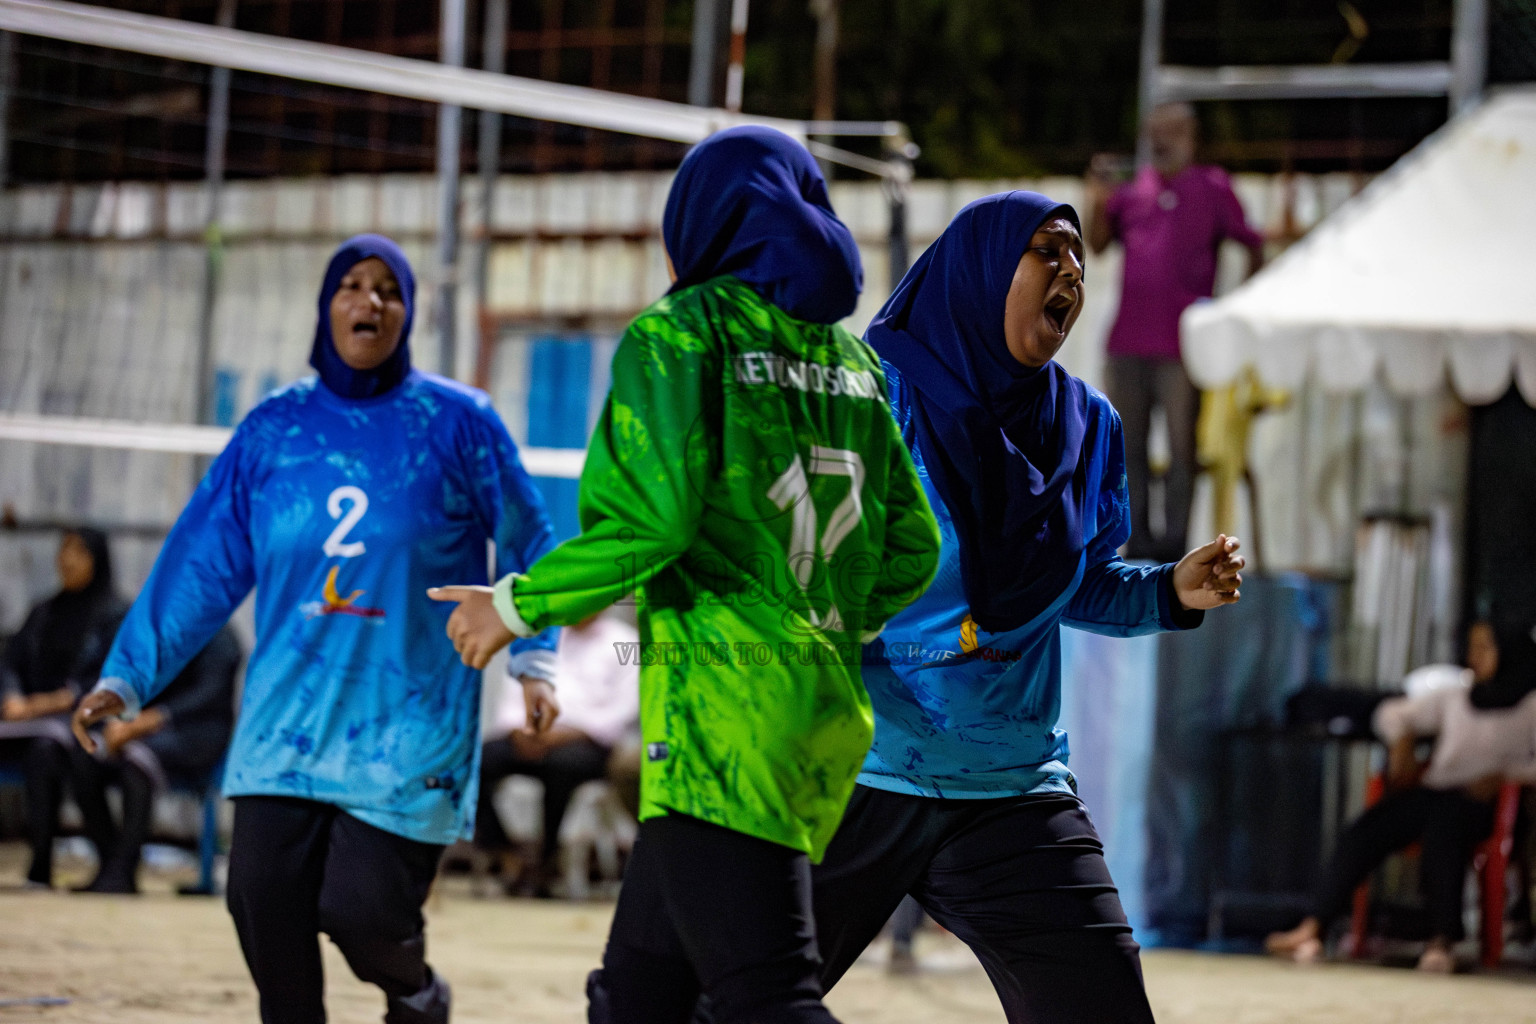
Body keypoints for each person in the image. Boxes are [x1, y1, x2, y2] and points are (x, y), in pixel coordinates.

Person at [431, 125, 941, 1024]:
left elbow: (650, 522)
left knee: (769, 1000)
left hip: (720, 720)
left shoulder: (679, 336)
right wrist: (819, 619)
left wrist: (514, 605)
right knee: (638, 999)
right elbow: (914, 549)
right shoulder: (856, 364)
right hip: (815, 711)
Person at [70, 234, 560, 1024]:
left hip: (407, 722)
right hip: (285, 723)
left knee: (362, 913)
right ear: (326, 305)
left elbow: (536, 543)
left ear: (408, 313)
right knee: (262, 908)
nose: (370, 303)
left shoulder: (459, 422)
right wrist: (126, 676)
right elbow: (202, 561)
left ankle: (416, 994)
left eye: (389, 290)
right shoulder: (273, 432)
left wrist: (537, 656)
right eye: (352, 286)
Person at [800, 191, 1244, 1023]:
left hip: (1010, 786)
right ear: (982, 269)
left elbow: (1075, 585)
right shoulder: (870, 401)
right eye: (1048, 250)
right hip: (853, 775)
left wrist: (1170, 591)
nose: (1071, 270)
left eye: (1078, 255)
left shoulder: (1085, 426)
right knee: (727, 1005)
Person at [1265, 620, 1536, 973]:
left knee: (1445, 833)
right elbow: (1390, 713)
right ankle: (1314, 927)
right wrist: (1402, 739)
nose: (1475, 656)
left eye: (1485, 647)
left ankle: (1443, 940)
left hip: (1486, 805)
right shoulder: (1456, 697)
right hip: (1437, 791)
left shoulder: (1530, 706)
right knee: (1369, 827)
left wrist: (1504, 775)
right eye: (1472, 646)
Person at [1086, 102, 1265, 561]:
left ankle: (1175, 547)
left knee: (1183, 449)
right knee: (1129, 449)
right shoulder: (1133, 189)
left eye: (1172, 133)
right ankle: (1137, 542)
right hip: (1127, 344)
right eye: (1155, 134)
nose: (1162, 143)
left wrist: (1238, 311)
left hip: (1184, 347)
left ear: (1191, 136)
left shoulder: (1212, 187)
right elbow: (1099, 244)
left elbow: (1252, 242)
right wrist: (1096, 198)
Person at [67, 623, 242, 894]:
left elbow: (208, 694)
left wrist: (149, 721)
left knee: (136, 762)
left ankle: (124, 869)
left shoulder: (220, 635)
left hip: (198, 732)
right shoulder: (163, 628)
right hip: (144, 729)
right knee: (85, 757)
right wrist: (121, 719)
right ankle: (109, 862)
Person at [477, 606, 640, 896]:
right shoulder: (540, 636)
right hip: (532, 732)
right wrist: (523, 729)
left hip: (587, 741)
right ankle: (504, 852)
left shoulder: (625, 641)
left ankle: (548, 859)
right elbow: (513, 690)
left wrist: (566, 734)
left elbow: (624, 709)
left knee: (563, 768)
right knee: (476, 762)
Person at [0, 528, 127, 888]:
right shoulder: (44, 612)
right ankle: (41, 865)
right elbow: (11, 661)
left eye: (79, 552)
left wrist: (56, 702)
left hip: (88, 723)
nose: (67, 560)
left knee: (58, 751)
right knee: (43, 747)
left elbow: (112, 676)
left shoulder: (114, 615)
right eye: (64, 550)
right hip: (30, 721)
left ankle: (81, 863)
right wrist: (11, 697)